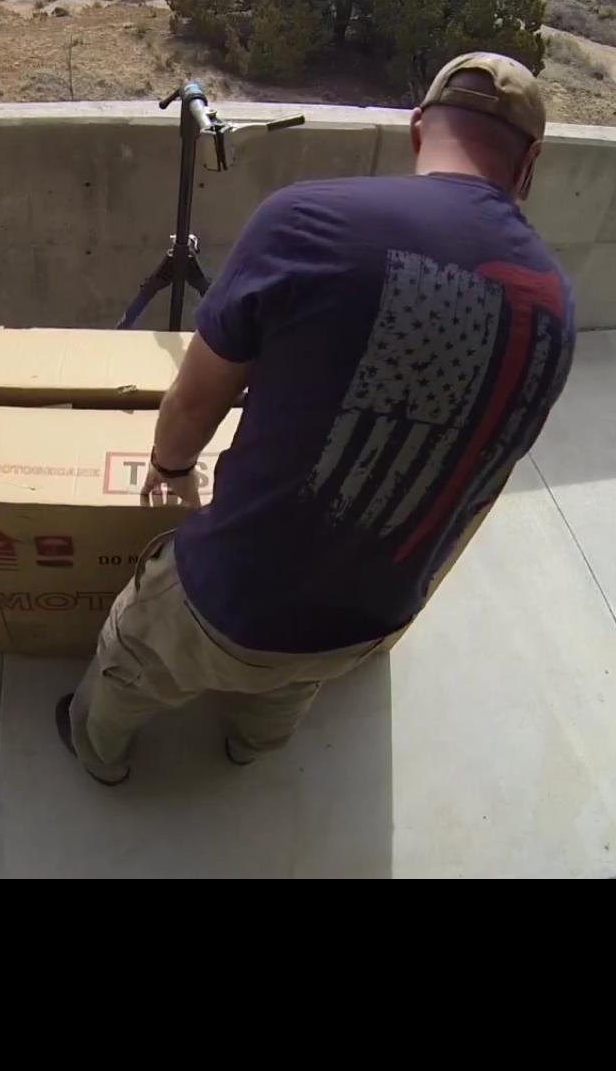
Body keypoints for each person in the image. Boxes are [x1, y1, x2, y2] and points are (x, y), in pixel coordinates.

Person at [57, 53, 578, 784]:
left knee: (133, 655)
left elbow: (195, 401)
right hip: (374, 619)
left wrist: (171, 469)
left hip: (232, 598)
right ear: (529, 166)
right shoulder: (558, 309)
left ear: (418, 128)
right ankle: (250, 748)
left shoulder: (312, 220)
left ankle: (98, 758)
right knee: (291, 685)